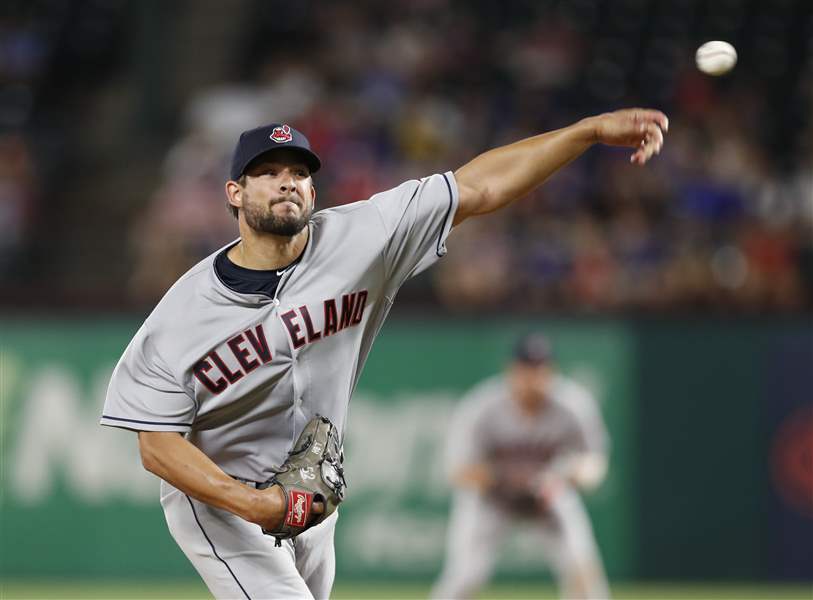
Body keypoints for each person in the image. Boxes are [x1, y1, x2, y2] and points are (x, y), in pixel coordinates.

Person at [100, 110, 666, 599]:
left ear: (314, 192)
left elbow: (480, 187)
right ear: (235, 193)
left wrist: (587, 132)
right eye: (267, 173)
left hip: (312, 490)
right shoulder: (181, 315)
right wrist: (251, 506)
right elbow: (156, 445)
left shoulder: (361, 238)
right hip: (219, 499)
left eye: (299, 173)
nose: (286, 182)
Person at [430, 333, 611, 600]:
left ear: (551, 371)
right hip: (493, 499)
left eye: (540, 368)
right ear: (512, 370)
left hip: (548, 495)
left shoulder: (572, 405)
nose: (533, 377)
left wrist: (569, 477)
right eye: (527, 368)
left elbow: (594, 462)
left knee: (584, 572)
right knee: (464, 575)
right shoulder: (483, 407)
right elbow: (459, 470)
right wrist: (505, 478)